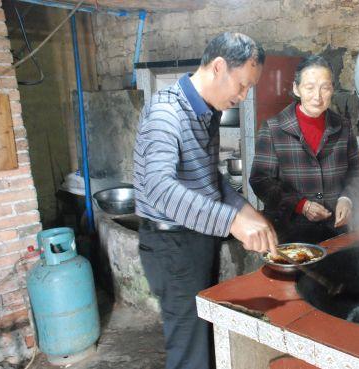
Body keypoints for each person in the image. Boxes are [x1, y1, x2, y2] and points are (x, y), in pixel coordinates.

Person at [133, 32, 278, 369]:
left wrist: (247, 212)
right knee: (190, 350)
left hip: (195, 237)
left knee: (204, 336)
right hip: (171, 244)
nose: (243, 96)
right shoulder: (166, 112)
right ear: (218, 67)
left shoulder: (205, 112)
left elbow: (207, 177)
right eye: (241, 85)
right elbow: (158, 187)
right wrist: (231, 221)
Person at [250, 55, 359, 244]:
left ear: (332, 89)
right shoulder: (274, 128)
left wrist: (347, 199)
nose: (317, 96)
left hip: (335, 231)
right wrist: (300, 205)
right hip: (290, 234)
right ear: (296, 89)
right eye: (309, 87)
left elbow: (357, 173)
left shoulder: (342, 127)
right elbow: (260, 180)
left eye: (325, 88)